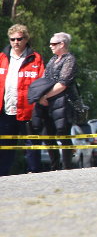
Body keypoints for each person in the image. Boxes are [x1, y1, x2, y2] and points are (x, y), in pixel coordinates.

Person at [0, 25, 44, 176]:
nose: (16, 42)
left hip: (28, 110)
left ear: (26, 39)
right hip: (6, 110)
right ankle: (3, 174)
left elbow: (42, 83)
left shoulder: (35, 58)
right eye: (12, 39)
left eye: (19, 39)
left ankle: (33, 172)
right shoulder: (2, 58)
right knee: (5, 145)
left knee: (31, 143)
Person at [31, 32, 77, 170]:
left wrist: (45, 96)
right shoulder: (52, 60)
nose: (50, 46)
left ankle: (67, 167)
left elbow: (63, 83)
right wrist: (39, 96)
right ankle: (55, 167)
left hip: (64, 104)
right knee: (47, 135)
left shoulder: (69, 60)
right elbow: (44, 79)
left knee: (63, 134)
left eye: (53, 44)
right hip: (48, 104)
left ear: (62, 44)